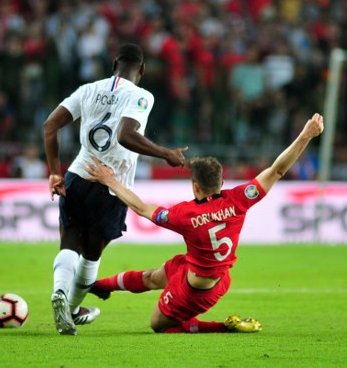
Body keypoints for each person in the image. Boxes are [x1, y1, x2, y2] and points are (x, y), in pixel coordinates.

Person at [84, 113, 324, 333]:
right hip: (207, 275)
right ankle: (98, 286)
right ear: (221, 181)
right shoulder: (239, 199)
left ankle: (223, 326)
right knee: (153, 277)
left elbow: (142, 208)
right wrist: (306, 135)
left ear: (195, 186)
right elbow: (276, 171)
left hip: (195, 291)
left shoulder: (185, 215)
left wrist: (111, 181)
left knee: (158, 325)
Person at [43, 43, 188, 335]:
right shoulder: (142, 96)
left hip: (76, 175)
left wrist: (55, 172)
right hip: (109, 185)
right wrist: (166, 153)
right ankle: (70, 308)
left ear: (113, 65)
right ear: (142, 69)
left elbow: (49, 125)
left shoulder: (87, 89)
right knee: (92, 255)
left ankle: (61, 294)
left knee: (70, 239)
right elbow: (125, 135)